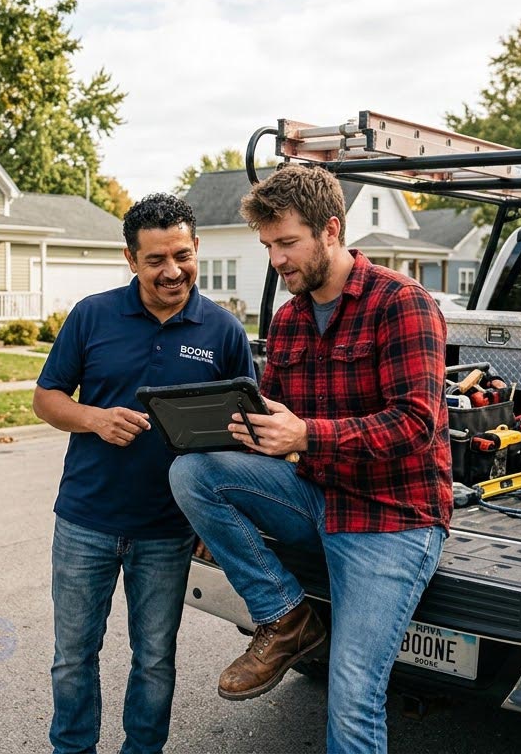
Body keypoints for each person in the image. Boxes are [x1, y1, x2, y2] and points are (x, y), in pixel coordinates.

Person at [169, 165, 452, 754]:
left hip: (391, 518)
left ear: (330, 230)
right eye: (268, 245)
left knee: (351, 692)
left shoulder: (403, 303)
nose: (276, 259)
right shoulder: (291, 319)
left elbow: (416, 424)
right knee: (192, 470)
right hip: (314, 493)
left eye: (287, 242)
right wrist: (240, 434)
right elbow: (281, 420)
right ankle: (285, 616)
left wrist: (305, 437)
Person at [34, 193, 256, 754]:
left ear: (197, 248)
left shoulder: (223, 332)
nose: (171, 270)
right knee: (72, 655)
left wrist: (215, 524)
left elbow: (245, 434)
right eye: (155, 259)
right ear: (131, 260)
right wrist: (94, 418)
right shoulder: (93, 315)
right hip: (86, 520)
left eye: (182, 255)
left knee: (155, 660)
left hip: (168, 528)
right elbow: (46, 398)